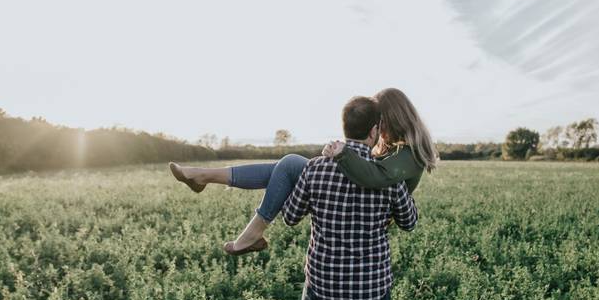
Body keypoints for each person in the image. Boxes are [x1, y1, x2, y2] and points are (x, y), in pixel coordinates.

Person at [168, 88, 437, 254]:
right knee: (285, 168)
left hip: (367, 209)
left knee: (290, 165)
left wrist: (341, 153)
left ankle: (245, 228)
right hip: (357, 196)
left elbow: (374, 177)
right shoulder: (396, 149)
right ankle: (203, 176)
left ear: (388, 120)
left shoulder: (409, 153)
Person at [280, 96, 417, 300]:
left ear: (344, 128)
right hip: (370, 286)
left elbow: (290, 217)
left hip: (324, 279)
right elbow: (409, 222)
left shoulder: (315, 168)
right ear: (375, 130)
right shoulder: (386, 176)